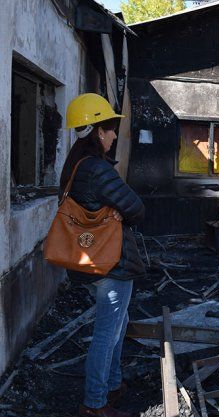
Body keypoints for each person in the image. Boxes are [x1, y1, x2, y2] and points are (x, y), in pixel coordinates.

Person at [60, 93, 146, 417]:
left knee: (118, 324)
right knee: (106, 333)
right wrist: (119, 213)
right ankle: (95, 404)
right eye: (111, 130)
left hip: (87, 260)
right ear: (99, 132)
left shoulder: (73, 166)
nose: (113, 137)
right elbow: (136, 207)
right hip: (112, 265)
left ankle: (113, 384)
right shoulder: (98, 169)